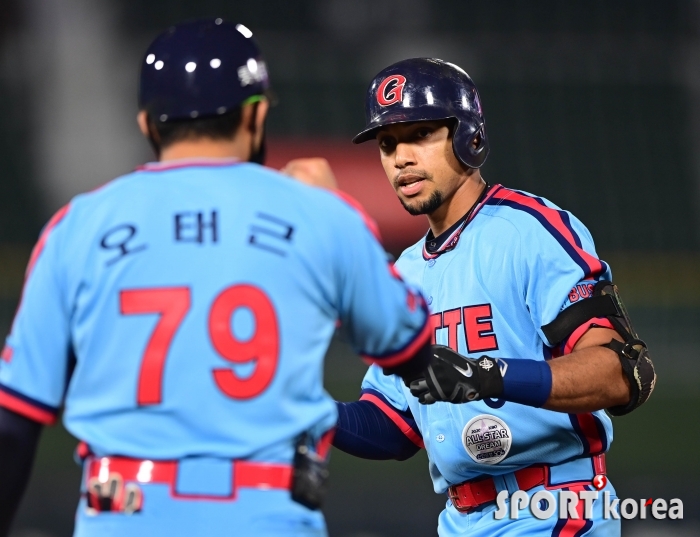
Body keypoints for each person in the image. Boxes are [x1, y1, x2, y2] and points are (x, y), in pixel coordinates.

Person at [0, 21, 434, 537]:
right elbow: (410, 344)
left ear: (147, 123)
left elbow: (13, 420)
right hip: (267, 515)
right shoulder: (319, 217)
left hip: (121, 515)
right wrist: (338, 211)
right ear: (255, 114)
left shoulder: (77, 227)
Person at [321, 58, 656, 536]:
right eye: (388, 143)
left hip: (555, 506)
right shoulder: (405, 272)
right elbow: (391, 426)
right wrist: (303, 411)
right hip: (462, 520)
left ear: (468, 137)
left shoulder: (528, 229)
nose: (401, 157)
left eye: (420, 135)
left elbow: (624, 372)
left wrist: (488, 376)